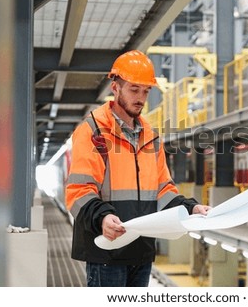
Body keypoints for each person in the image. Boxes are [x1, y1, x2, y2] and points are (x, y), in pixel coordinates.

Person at [65, 50, 210, 287]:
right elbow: (79, 191)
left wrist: (190, 208)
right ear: (115, 87)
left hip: (141, 250)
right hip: (107, 250)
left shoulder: (151, 136)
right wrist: (102, 217)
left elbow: (163, 189)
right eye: (134, 89)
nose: (141, 98)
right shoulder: (92, 131)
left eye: (146, 91)